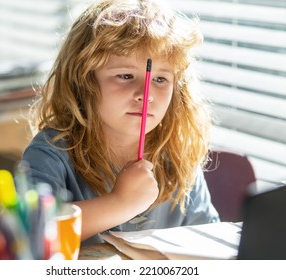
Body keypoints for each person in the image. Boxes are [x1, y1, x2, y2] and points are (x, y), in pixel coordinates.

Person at [22, 0, 220, 246]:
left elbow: (208, 241)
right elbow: (32, 234)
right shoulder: (51, 153)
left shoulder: (178, 154)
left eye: (160, 79)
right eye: (125, 76)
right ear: (82, 81)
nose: (145, 93)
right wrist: (120, 203)